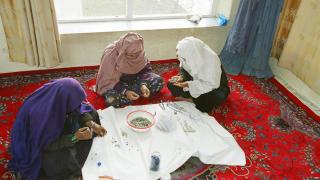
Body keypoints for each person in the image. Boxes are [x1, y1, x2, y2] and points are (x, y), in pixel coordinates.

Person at [9, 78, 107, 180]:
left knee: (92, 113)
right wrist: (74, 137)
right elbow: (46, 145)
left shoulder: (57, 95)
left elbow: (79, 105)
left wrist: (90, 123)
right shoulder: (43, 117)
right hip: (38, 145)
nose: (78, 104)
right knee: (60, 158)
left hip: (53, 126)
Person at [95, 32, 163, 107]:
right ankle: (131, 95)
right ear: (123, 51)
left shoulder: (139, 50)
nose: (136, 57)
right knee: (112, 99)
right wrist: (125, 91)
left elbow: (146, 70)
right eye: (131, 55)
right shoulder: (111, 54)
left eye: (138, 54)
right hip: (117, 84)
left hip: (135, 81)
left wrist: (143, 84)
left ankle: (133, 95)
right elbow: (107, 80)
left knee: (158, 81)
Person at [167, 37, 230, 113]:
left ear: (190, 54)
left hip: (214, 88)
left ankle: (192, 100)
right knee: (171, 84)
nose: (176, 56)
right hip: (195, 83)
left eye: (178, 53)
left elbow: (212, 85)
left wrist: (188, 85)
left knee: (215, 97)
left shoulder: (211, 61)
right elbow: (184, 70)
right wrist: (181, 77)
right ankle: (195, 99)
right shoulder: (191, 56)